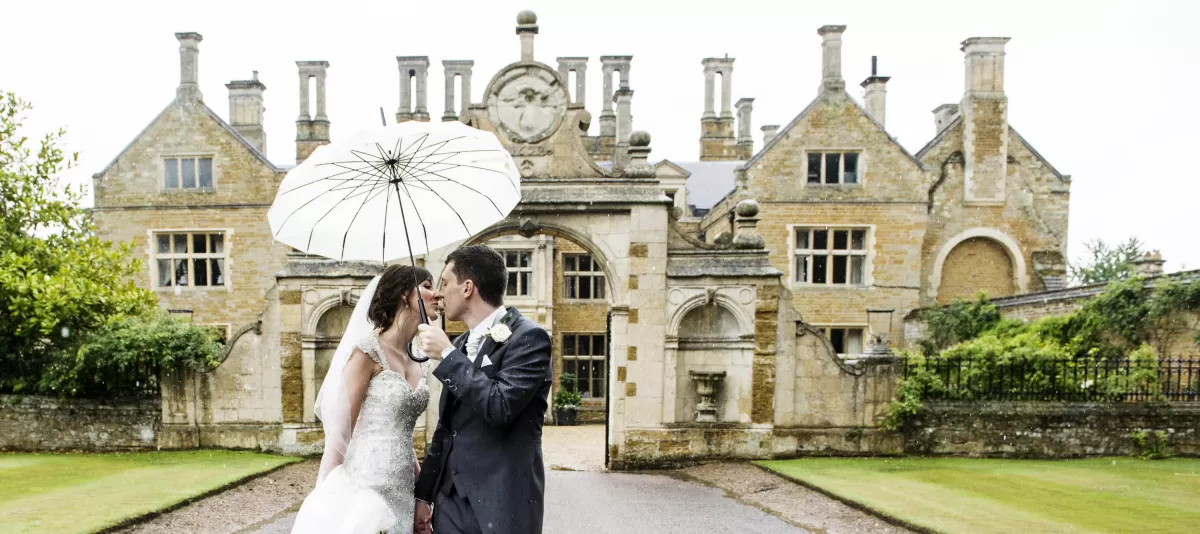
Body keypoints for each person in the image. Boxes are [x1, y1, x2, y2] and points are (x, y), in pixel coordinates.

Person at [414, 244, 553, 534]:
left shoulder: (529, 338)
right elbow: (446, 429)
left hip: (502, 502)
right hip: (450, 503)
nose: (439, 293)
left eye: (444, 283)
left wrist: (449, 357)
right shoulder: (462, 343)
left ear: (467, 288)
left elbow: (500, 406)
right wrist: (424, 495)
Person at [290, 265, 438, 534]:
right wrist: (326, 501)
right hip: (365, 486)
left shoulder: (421, 359)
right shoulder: (367, 352)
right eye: (427, 286)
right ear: (405, 295)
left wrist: (421, 492)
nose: (436, 294)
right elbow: (339, 435)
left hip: (403, 486)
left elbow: (401, 433)